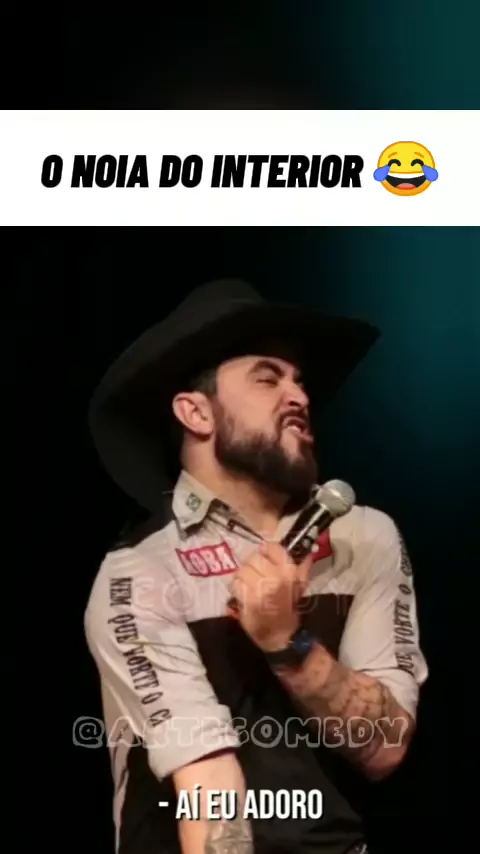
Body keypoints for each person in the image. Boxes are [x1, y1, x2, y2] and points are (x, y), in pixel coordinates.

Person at [85, 279, 428, 854]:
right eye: (268, 379)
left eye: (300, 381)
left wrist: (288, 644)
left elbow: (385, 748)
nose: (299, 396)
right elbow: (210, 791)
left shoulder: (364, 537)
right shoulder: (140, 572)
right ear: (196, 412)